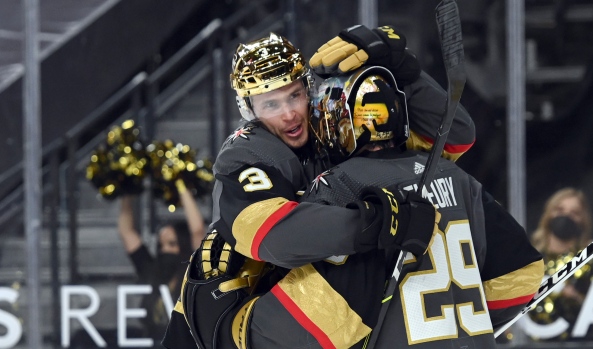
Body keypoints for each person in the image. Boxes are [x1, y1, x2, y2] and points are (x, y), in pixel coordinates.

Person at [162, 25, 476, 348]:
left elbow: (455, 139)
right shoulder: (246, 153)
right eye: (271, 105)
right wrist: (377, 223)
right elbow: (277, 236)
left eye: (294, 95)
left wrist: (406, 77)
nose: (289, 115)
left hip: (290, 313)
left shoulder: (329, 124)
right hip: (216, 317)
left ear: (307, 88)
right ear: (249, 110)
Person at [214, 66, 544, 348]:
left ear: (338, 122)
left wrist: (238, 328)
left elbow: (306, 326)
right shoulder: (455, 176)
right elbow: (522, 276)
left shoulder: (339, 185)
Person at [118, 179, 206, 345]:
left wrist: (180, 182)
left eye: (172, 244)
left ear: (184, 245)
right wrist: (127, 189)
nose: (165, 250)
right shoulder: (150, 269)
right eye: (161, 245)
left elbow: (197, 230)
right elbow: (127, 232)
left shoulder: (193, 268)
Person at [527, 187, 593, 341]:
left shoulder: (591, 259)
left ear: (583, 220)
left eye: (574, 213)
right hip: (529, 341)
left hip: (578, 341)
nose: (565, 216)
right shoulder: (528, 255)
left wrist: (575, 297)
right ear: (549, 213)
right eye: (559, 209)